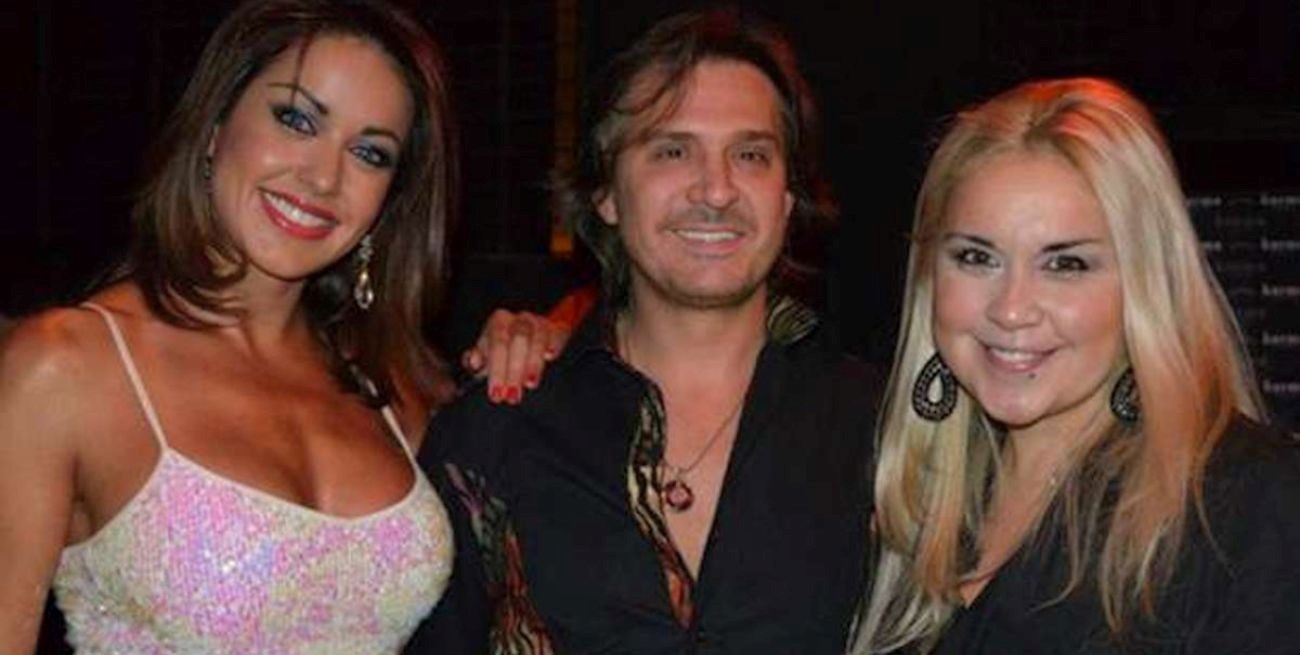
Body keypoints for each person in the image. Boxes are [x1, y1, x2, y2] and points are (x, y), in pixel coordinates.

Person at [409, 9, 881, 654]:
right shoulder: (495, 431)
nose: (716, 190)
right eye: (672, 151)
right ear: (605, 193)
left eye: (750, 155)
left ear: (787, 196)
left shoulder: (886, 434)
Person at [1, 1, 466, 651]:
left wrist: (543, 339)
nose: (323, 177)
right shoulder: (67, 366)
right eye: (296, 119)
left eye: (369, 152)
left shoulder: (394, 388)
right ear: (216, 126)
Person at [853, 78, 1300, 654]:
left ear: (1145, 283)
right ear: (928, 275)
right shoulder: (903, 508)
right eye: (976, 257)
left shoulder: (1247, 507)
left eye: (1065, 265)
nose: (1012, 309)